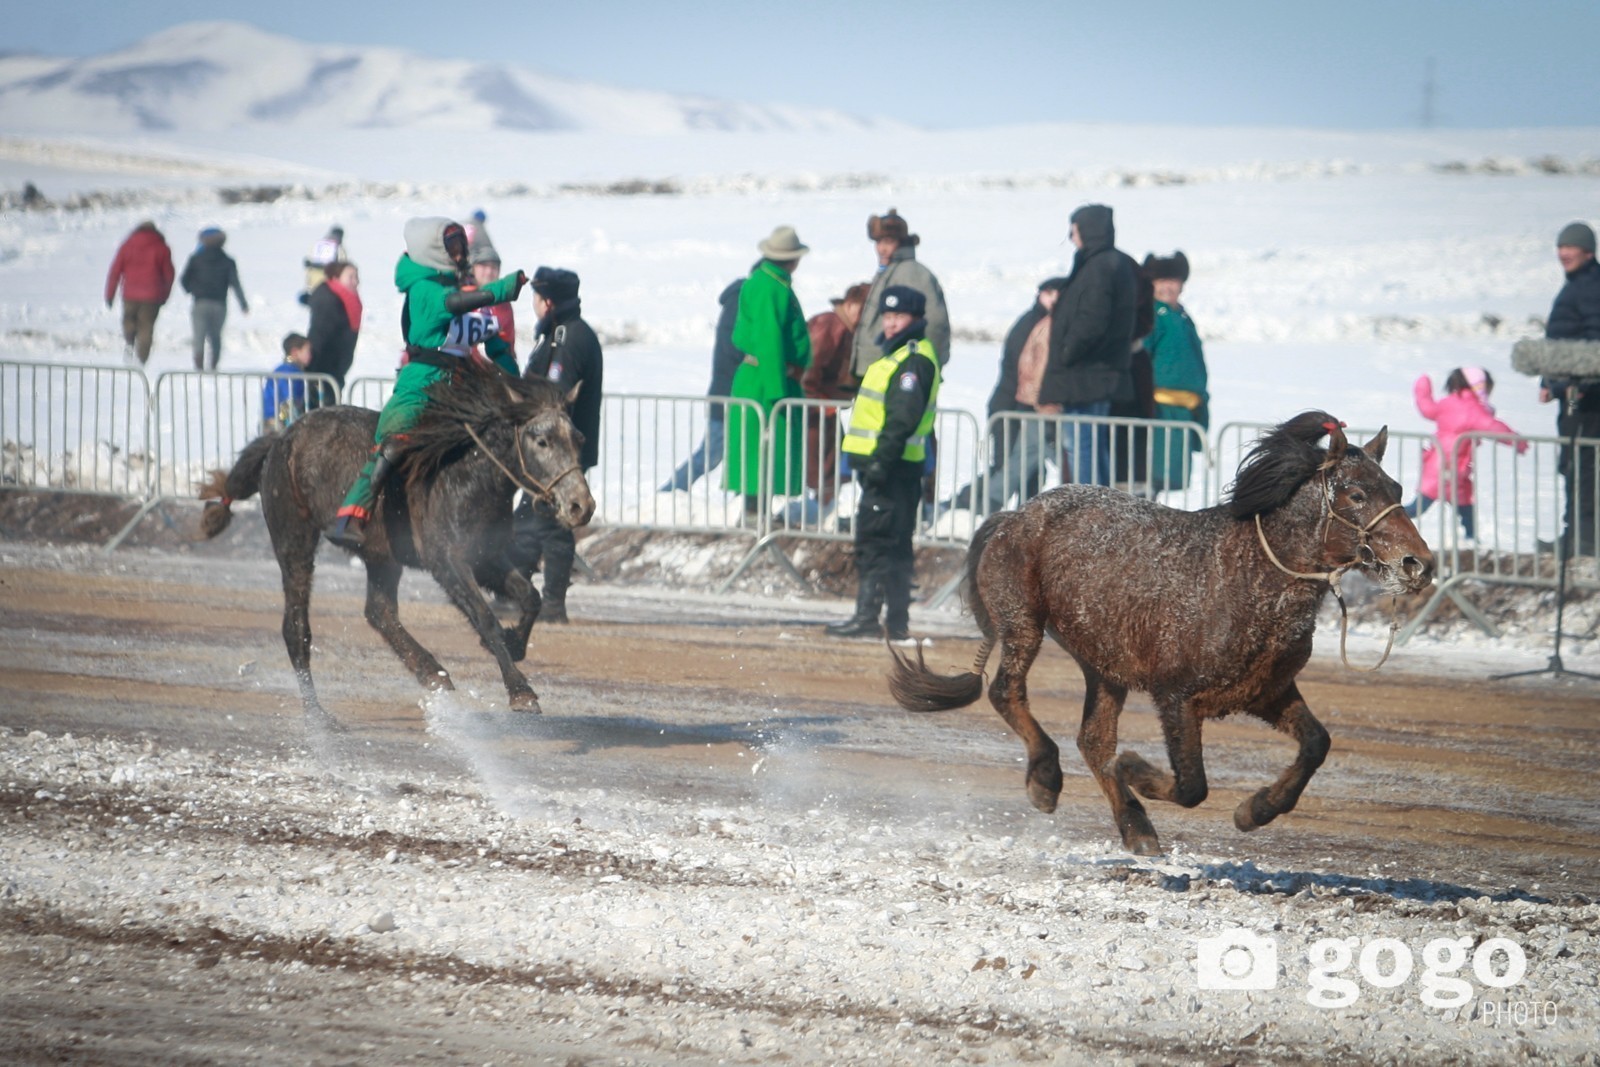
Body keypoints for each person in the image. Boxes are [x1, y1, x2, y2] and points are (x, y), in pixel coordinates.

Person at [324, 217, 526, 549]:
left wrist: (517, 388)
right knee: (395, 437)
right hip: (422, 382)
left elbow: (496, 343)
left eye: (463, 248)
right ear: (434, 252)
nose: (461, 256)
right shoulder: (424, 291)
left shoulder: (466, 293)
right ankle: (351, 514)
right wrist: (500, 290)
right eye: (454, 249)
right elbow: (453, 306)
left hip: (461, 385)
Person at [826, 285, 941, 641]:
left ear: (915, 320)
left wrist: (880, 464)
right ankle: (894, 622)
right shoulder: (899, 355)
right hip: (891, 468)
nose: (891, 324)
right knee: (893, 545)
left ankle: (868, 618)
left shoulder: (912, 360)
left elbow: (901, 419)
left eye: (898, 317)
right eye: (888, 317)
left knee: (876, 544)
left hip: (892, 469)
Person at [507, 268, 602, 623]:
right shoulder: (558, 333)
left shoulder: (570, 338)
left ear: (547, 301)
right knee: (529, 523)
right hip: (552, 454)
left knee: (553, 525)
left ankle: (551, 605)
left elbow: (553, 395)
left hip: (561, 456)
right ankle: (516, 592)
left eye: (536, 298)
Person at [1037, 203, 1137, 487]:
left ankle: (1089, 504)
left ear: (1088, 230)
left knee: (1082, 443)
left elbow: (1092, 319)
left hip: (1087, 373)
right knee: (1090, 440)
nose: (1071, 237)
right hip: (1093, 372)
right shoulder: (1104, 264)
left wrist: (1068, 351)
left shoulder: (1100, 267)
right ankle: (1096, 500)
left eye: (1075, 230)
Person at [725, 226, 812, 520]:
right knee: (760, 451)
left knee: (764, 452)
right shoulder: (769, 288)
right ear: (793, 260)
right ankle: (753, 517)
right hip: (766, 384)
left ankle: (758, 514)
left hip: (766, 379)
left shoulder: (770, 283)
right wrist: (777, 394)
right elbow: (769, 341)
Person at [973, 279, 1065, 513]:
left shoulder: (1046, 322)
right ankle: (974, 508)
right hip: (1012, 406)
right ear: (1041, 295)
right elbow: (1020, 368)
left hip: (1023, 405)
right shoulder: (1033, 324)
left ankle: (1020, 516)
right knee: (1010, 467)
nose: (1055, 299)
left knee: (1030, 469)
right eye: (1050, 293)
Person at [1406, 367, 1525, 541]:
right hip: (1450, 467)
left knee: (1464, 505)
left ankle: (1471, 538)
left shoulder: (1448, 403)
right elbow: (1491, 426)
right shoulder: (1472, 408)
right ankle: (1383, 517)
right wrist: (1517, 441)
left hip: (1441, 464)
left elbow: (1428, 408)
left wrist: (1422, 388)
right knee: (1421, 507)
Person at [1539, 220, 1600, 558]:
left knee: (1583, 466)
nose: (1563, 253)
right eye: (1560, 247)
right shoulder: (1578, 285)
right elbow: (1564, 343)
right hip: (1572, 395)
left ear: (1587, 251)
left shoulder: (1591, 287)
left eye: (1570, 247)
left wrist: (1577, 384)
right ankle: (1574, 535)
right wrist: (1550, 382)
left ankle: (1584, 539)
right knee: (1574, 465)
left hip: (1587, 400)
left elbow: (1593, 344)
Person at [791, 282, 869, 521]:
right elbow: (808, 371)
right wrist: (820, 402)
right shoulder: (830, 325)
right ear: (851, 304)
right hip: (814, 409)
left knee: (831, 459)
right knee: (819, 462)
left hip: (824, 408)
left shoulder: (845, 328)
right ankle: (816, 513)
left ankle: (823, 509)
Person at [660, 278, 744, 491]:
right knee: (711, 454)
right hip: (727, 395)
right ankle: (670, 492)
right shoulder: (738, 304)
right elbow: (735, 348)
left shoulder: (737, 304)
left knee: (726, 454)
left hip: (728, 394)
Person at [849, 208, 951, 381]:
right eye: (878, 242)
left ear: (902, 243)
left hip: (901, 372)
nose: (881, 249)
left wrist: (920, 367)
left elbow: (935, 325)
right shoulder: (890, 271)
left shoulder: (911, 274)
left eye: (888, 242)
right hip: (884, 369)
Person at [1140, 251, 1208, 493]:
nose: (1168, 287)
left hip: (1182, 412)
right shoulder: (1149, 315)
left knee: (1165, 479)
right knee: (1148, 478)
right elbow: (1140, 360)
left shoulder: (1181, 316)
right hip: (1159, 411)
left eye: (1173, 281)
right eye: (1161, 281)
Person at [104, 220, 175, 367]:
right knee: (146, 328)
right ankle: (142, 361)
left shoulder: (127, 246)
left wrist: (110, 294)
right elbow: (169, 274)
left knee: (129, 320)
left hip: (130, 293)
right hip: (152, 296)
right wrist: (165, 295)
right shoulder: (161, 247)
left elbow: (115, 271)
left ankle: (129, 343)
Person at [179, 226, 249, 372]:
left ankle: (198, 366)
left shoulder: (196, 258)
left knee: (199, 336)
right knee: (215, 336)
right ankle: (213, 365)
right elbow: (235, 283)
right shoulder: (228, 261)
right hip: (219, 304)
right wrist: (243, 303)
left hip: (200, 302)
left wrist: (192, 290)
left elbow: (184, 279)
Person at [306, 261, 362, 407]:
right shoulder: (328, 299)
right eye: (350, 277)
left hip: (335, 369)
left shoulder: (347, 299)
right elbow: (319, 335)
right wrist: (312, 370)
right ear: (336, 277)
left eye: (356, 277)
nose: (356, 281)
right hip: (322, 368)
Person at [468, 243, 518, 373]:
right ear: (473, 268)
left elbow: (507, 344)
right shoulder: (460, 297)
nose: (489, 272)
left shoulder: (503, 305)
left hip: (490, 371)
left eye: (494, 267)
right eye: (484, 266)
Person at [262, 333, 312, 435]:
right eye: (307, 351)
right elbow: (288, 399)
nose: (310, 355)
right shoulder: (289, 372)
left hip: (273, 418)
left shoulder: (289, 370)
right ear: (295, 352)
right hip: (279, 420)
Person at [301, 224, 348, 303]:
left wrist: (308, 284)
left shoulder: (317, 246)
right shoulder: (339, 248)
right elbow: (344, 267)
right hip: (330, 285)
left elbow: (308, 263)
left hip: (314, 283)